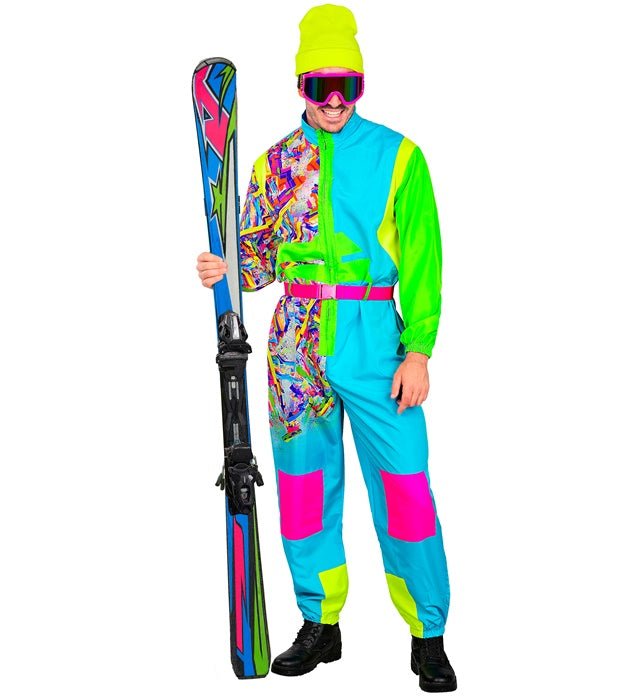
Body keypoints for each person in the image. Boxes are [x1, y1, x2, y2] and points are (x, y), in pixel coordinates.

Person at [196, 4, 457, 693]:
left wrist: (419, 350)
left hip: (377, 343)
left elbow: (424, 261)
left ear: (360, 84)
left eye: (347, 84)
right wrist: (225, 268)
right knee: (305, 488)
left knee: (405, 488)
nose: (334, 100)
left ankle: (427, 633)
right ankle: (320, 621)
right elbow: (256, 262)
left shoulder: (400, 156)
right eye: (320, 86)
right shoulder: (275, 164)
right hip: (295, 345)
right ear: (301, 85)